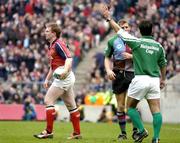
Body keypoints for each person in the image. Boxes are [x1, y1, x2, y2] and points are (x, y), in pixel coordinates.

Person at [100, 4, 167, 143]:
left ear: (140, 31)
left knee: (129, 108)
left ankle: (141, 131)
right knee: (156, 110)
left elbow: (120, 32)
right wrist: (163, 79)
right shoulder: (159, 46)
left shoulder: (137, 42)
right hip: (154, 80)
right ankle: (156, 138)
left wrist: (109, 18)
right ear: (152, 31)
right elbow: (163, 64)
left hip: (140, 78)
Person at [33, 23, 81, 139]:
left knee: (48, 99)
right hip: (62, 76)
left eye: (47, 31)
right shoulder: (51, 45)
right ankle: (77, 133)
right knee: (71, 105)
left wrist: (65, 70)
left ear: (53, 33)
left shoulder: (59, 44)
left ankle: (49, 131)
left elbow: (69, 58)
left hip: (64, 76)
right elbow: (52, 66)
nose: (45, 32)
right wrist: (47, 79)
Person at [104, 19, 138, 140]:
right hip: (118, 74)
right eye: (122, 27)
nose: (124, 29)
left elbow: (142, 57)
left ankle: (136, 131)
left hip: (133, 74)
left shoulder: (135, 41)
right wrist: (108, 70)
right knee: (120, 106)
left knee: (133, 105)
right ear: (117, 29)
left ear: (130, 29)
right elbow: (107, 58)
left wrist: (132, 56)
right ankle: (123, 133)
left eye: (126, 27)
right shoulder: (112, 41)